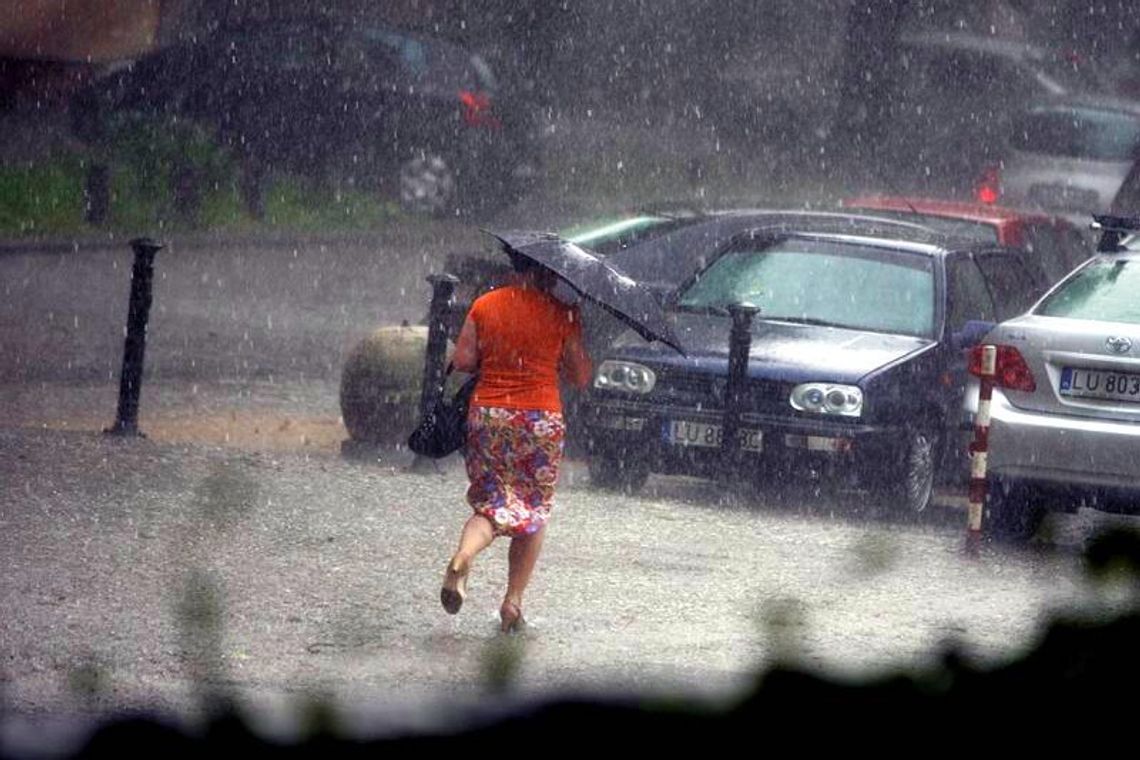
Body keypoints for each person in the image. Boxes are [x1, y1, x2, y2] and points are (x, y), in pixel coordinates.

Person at [440, 251, 593, 633]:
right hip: (540, 419)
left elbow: (462, 360)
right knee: (533, 511)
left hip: (490, 414)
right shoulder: (563, 312)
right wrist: (569, 337)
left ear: (516, 269)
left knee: (491, 504)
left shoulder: (485, 304)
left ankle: (464, 555)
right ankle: (512, 602)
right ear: (549, 274)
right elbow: (578, 376)